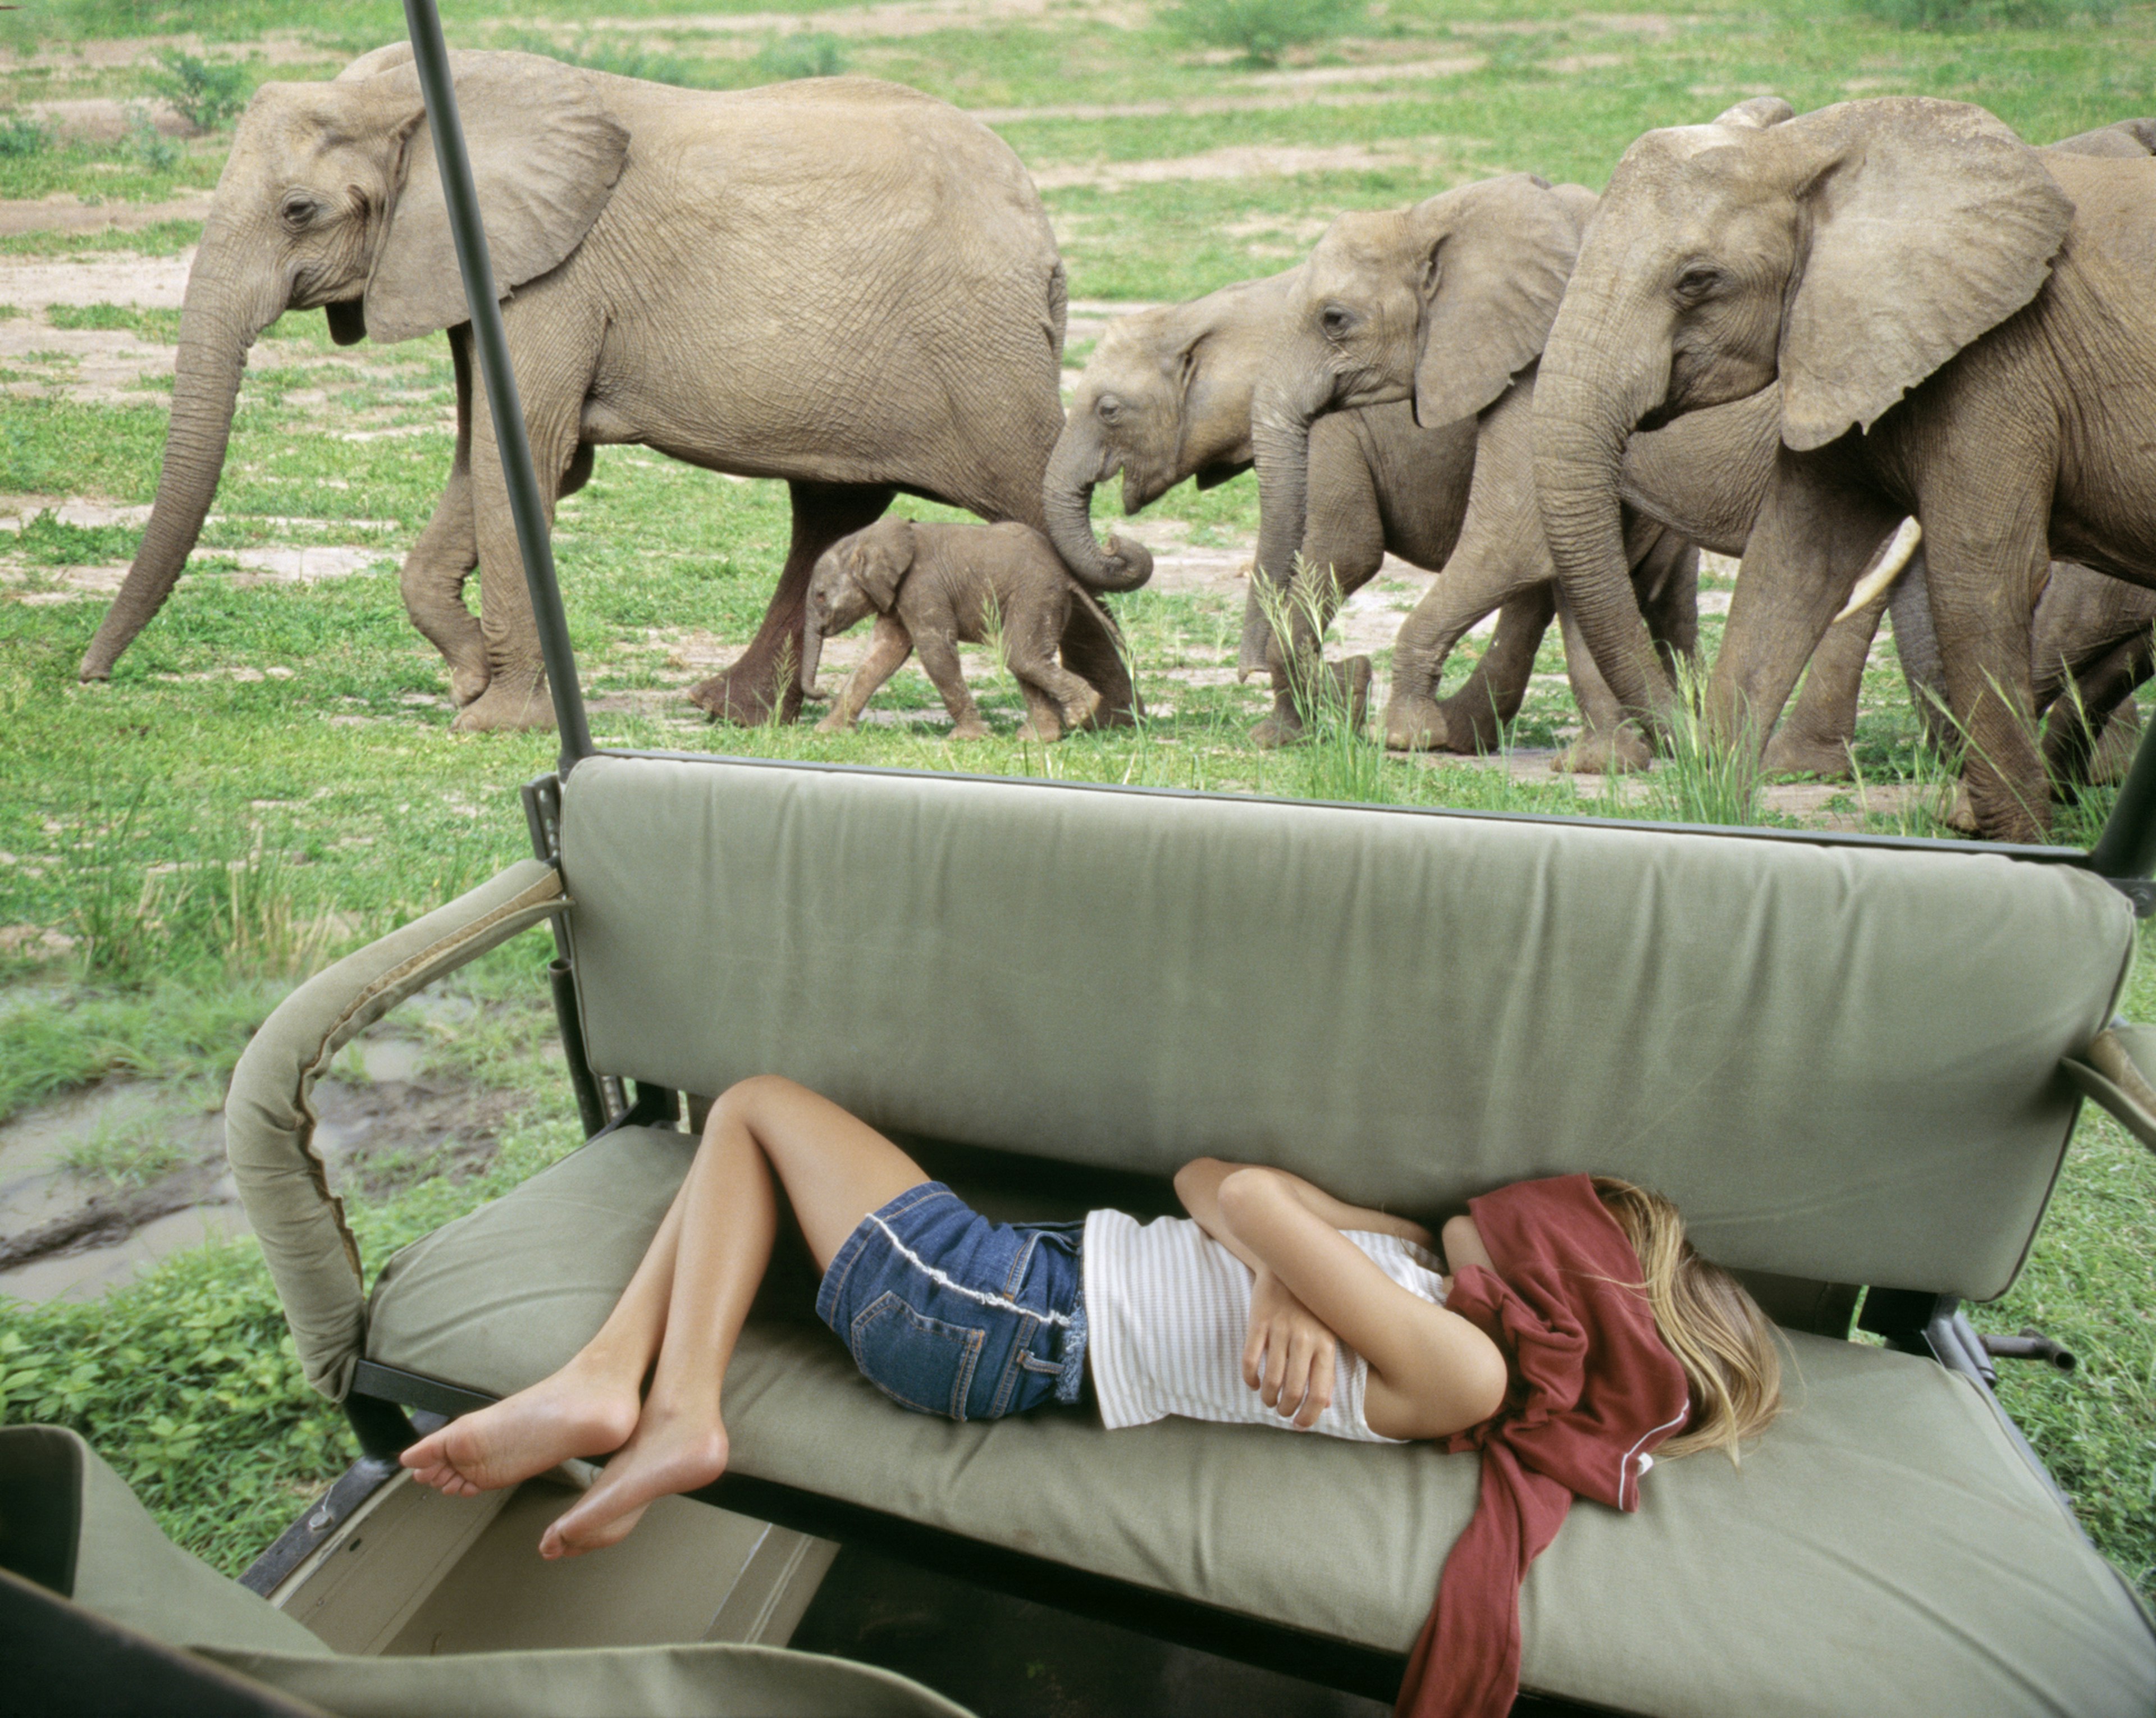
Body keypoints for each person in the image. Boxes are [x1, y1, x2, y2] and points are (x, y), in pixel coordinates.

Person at [400, 1076, 1782, 1559]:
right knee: (736, 1145)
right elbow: (1201, 1180)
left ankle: (675, 1403)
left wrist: (1285, 1251)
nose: (1508, 1197)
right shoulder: (1416, 1261)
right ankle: (613, 1384)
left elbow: (1247, 1191)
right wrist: (1278, 1271)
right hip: (1012, 1283)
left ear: (1581, 1286)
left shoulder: (1469, 1371)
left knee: (757, 1105)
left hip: (1003, 1318)